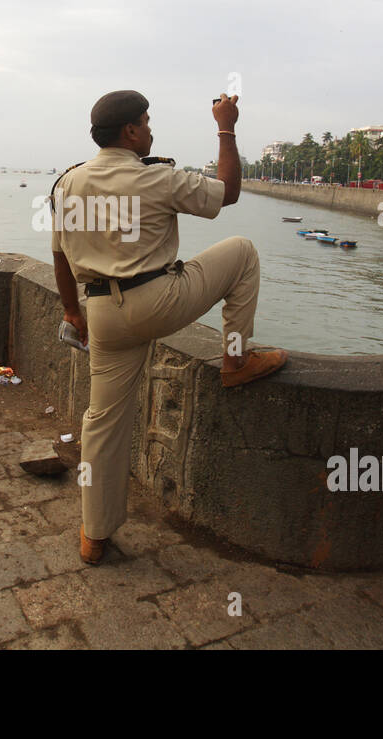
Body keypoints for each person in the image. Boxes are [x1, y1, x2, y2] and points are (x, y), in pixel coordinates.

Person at [49, 89, 287, 566]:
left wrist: (72, 313)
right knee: (242, 252)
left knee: (102, 422)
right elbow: (229, 191)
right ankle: (236, 359)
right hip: (156, 300)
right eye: (147, 121)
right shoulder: (157, 177)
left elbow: (59, 254)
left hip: (102, 313)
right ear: (131, 132)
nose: (152, 129)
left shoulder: (68, 184)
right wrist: (226, 124)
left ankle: (94, 535)